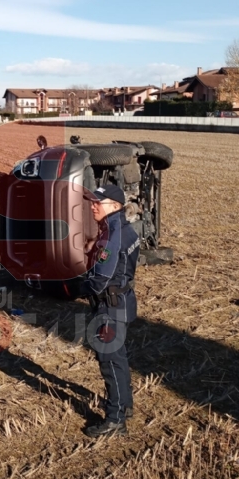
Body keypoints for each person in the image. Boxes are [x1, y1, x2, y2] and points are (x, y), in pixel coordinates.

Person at [79, 185, 140, 438]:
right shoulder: (126, 229)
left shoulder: (112, 234)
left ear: (114, 206)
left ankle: (115, 420)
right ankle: (124, 406)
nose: (92, 205)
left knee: (110, 363)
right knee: (119, 359)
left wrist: (80, 286)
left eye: (98, 202)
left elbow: (101, 278)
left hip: (109, 307)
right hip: (122, 301)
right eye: (92, 201)